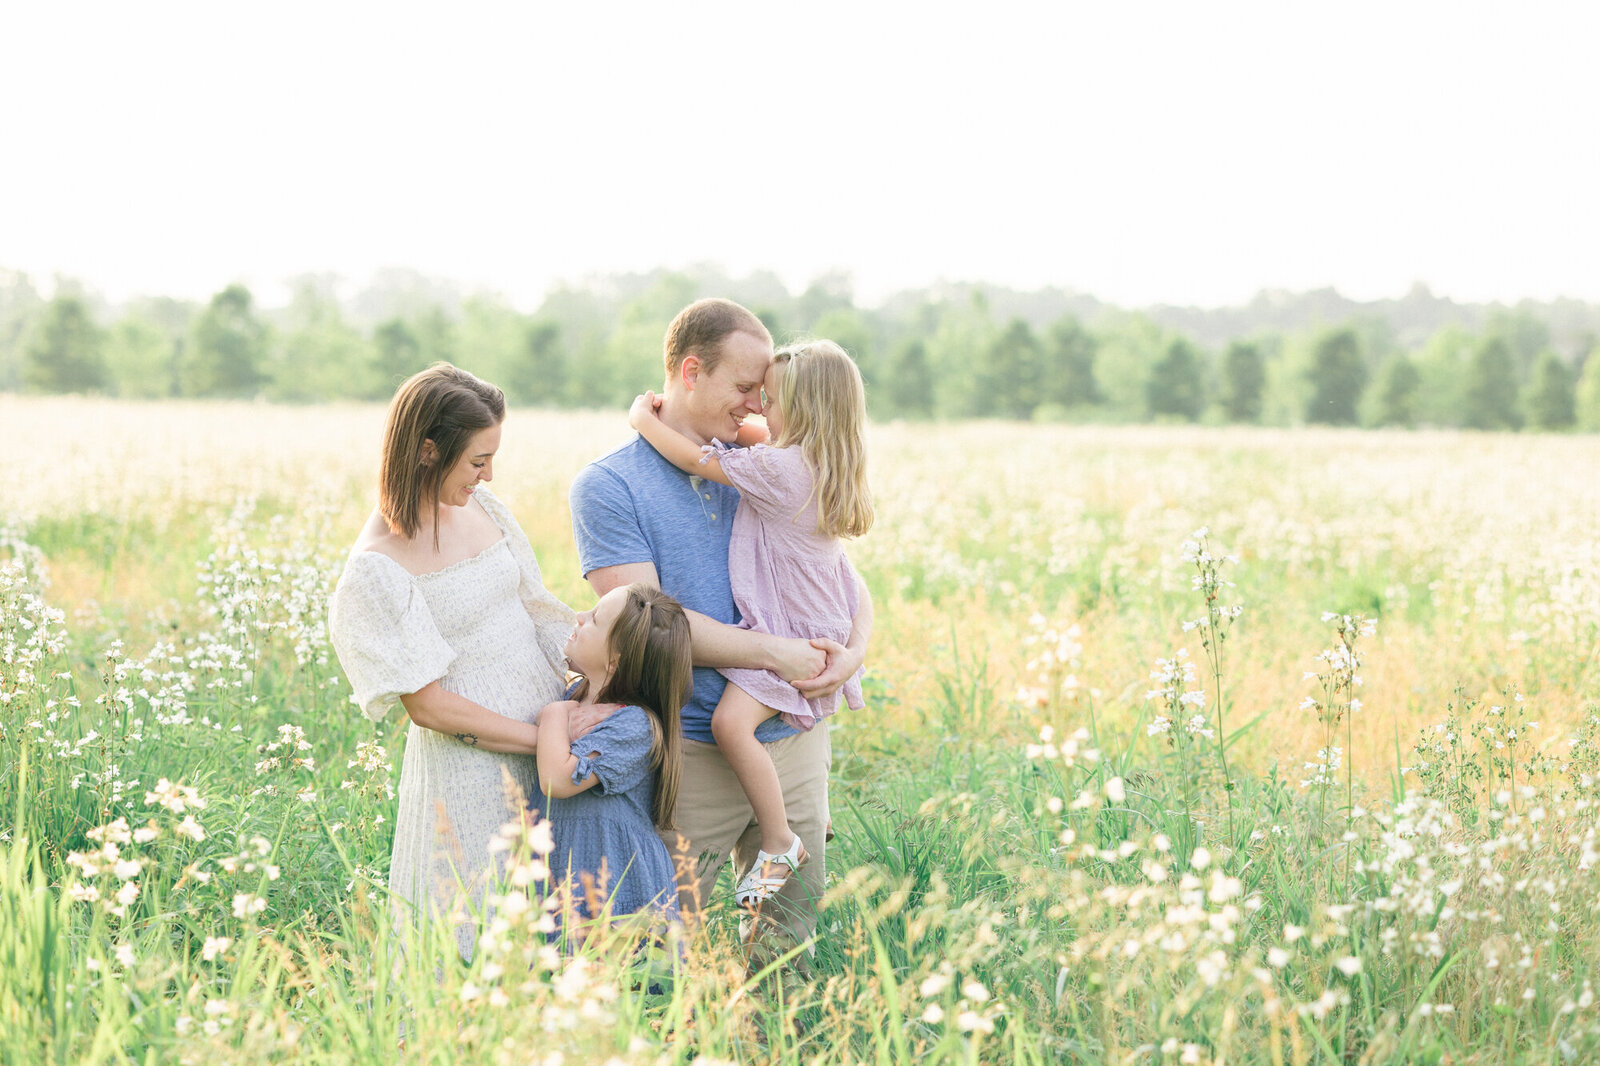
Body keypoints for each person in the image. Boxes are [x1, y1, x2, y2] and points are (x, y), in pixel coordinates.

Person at [569, 298, 872, 949]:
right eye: (743, 388)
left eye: (765, 393)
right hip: (693, 751)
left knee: (786, 947)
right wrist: (777, 654)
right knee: (683, 951)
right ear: (689, 371)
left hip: (792, 738)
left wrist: (853, 652)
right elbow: (646, 628)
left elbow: (837, 573)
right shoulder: (610, 487)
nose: (755, 406)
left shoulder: (765, 459)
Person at [328, 363, 595, 959]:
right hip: (473, 772)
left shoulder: (486, 509)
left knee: (554, 922)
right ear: (428, 451)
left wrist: (590, 693)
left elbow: (537, 608)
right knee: (477, 925)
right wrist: (538, 739)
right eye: (477, 461)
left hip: (551, 739)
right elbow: (427, 705)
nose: (489, 474)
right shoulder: (377, 567)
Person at [535, 583, 691, 929]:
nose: (578, 616)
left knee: (617, 978)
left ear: (614, 660)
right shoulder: (575, 694)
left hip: (618, 888)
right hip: (568, 875)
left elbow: (557, 779)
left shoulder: (635, 725)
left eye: (593, 619)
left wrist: (554, 714)